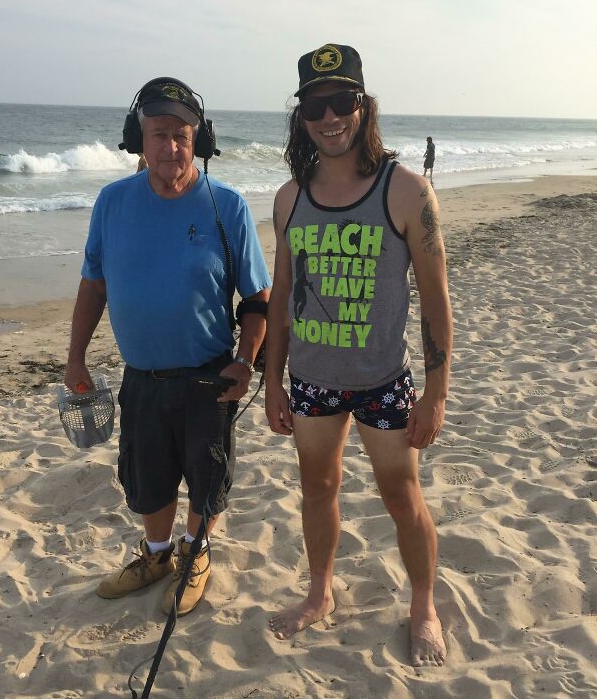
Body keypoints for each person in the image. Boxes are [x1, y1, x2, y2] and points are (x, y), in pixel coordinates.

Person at [265, 44, 452, 666]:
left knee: (402, 495)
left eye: (341, 101)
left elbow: (434, 298)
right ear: (302, 117)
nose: (329, 117)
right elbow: (283, 295)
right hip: (312, 380)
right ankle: (319, 594)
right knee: (317, 488)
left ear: (362, 107)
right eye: (315, 105)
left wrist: (436, 391)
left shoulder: (405, 191)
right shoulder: (290, 198)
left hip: (383, 379)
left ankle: (422, 604)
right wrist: (271, 382)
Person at [65, 78, 271, 616]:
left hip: (210, 375)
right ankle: (157, 556)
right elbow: (94, 284)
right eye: (159, 135)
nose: (170, 148)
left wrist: (246, 361)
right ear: (139, 138)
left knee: (207, 476)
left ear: (198, 139)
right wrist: (75, 357)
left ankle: (196, 553)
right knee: (146, 476)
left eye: (181, 135)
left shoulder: (227, 206)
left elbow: (256, 297)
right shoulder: (112, 203)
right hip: (142, 376)